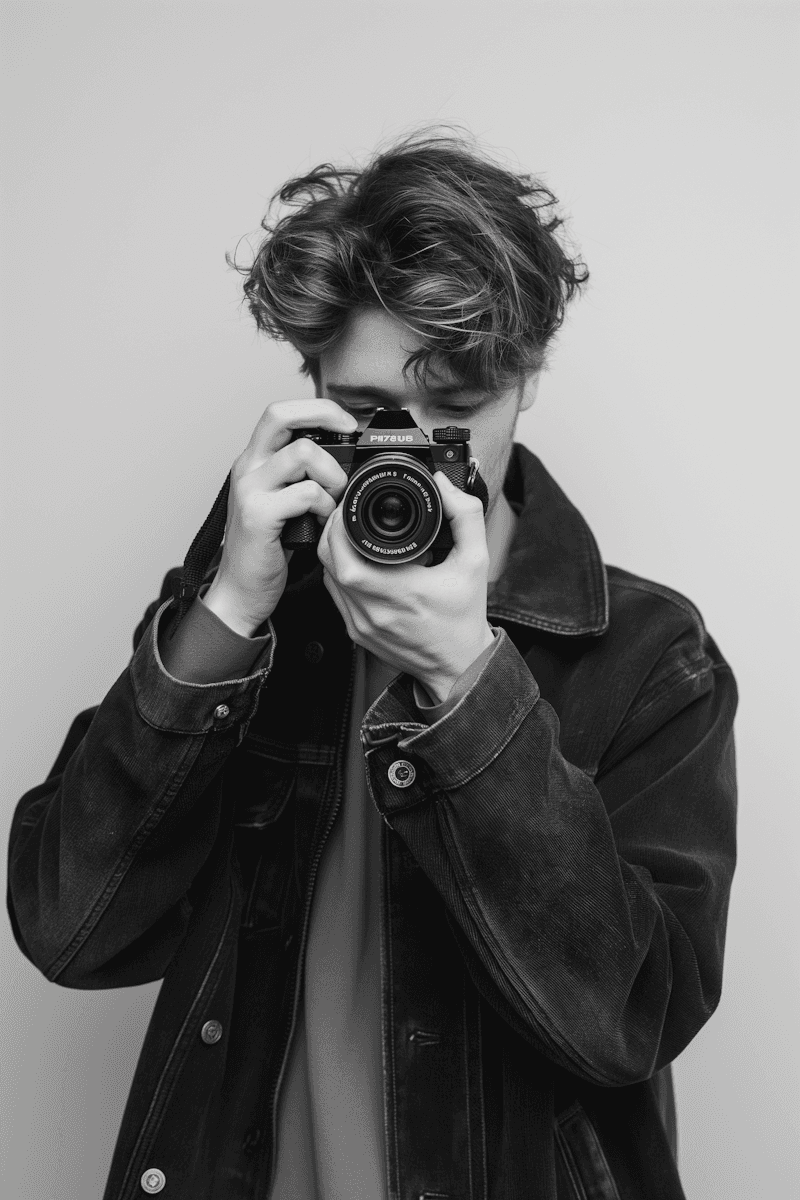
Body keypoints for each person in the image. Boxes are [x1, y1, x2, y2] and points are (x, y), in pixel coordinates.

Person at [7, 132, 737, 1200]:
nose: (411, 456)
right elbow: (69, 931)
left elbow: (629, 1020)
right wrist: (224, 614)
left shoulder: (646, 657)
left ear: (526, 379)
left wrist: (468, 685)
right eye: (367, 416)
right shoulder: (247, 609)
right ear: (308, 393)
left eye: (456, 413)